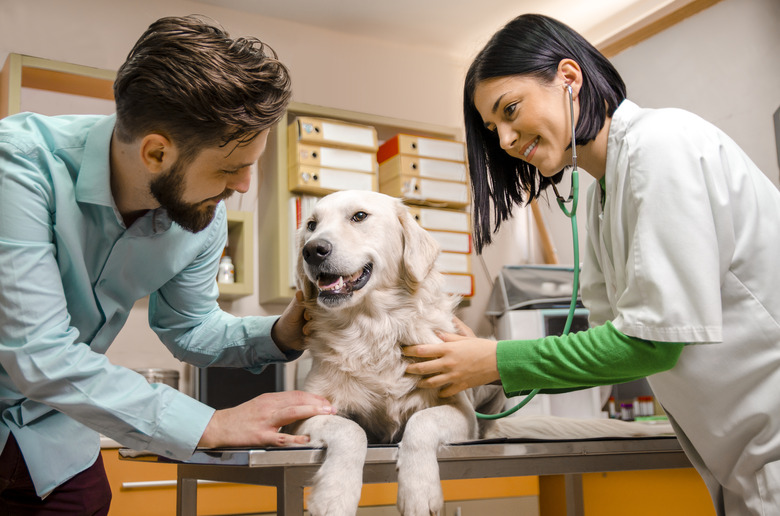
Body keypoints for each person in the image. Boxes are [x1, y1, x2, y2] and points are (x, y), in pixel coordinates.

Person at [404, 13, 780, 516]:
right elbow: (610, 350)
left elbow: (649, 345)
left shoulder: (661, 144)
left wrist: (493, 360)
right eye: (494, 128)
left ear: (568, 77)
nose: (506, 140)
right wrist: (482, 365)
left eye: (510, 110)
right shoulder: (599, 198)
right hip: (745, 466)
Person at [0, 15, 334, 514]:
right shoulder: (18, 168)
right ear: (157, 152)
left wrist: (281, 335)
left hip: (54, 438)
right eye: (230, 168)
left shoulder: (203, 214)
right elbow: (39, 353)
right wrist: (209, 425)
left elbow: (190, 327)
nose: (244, 186)